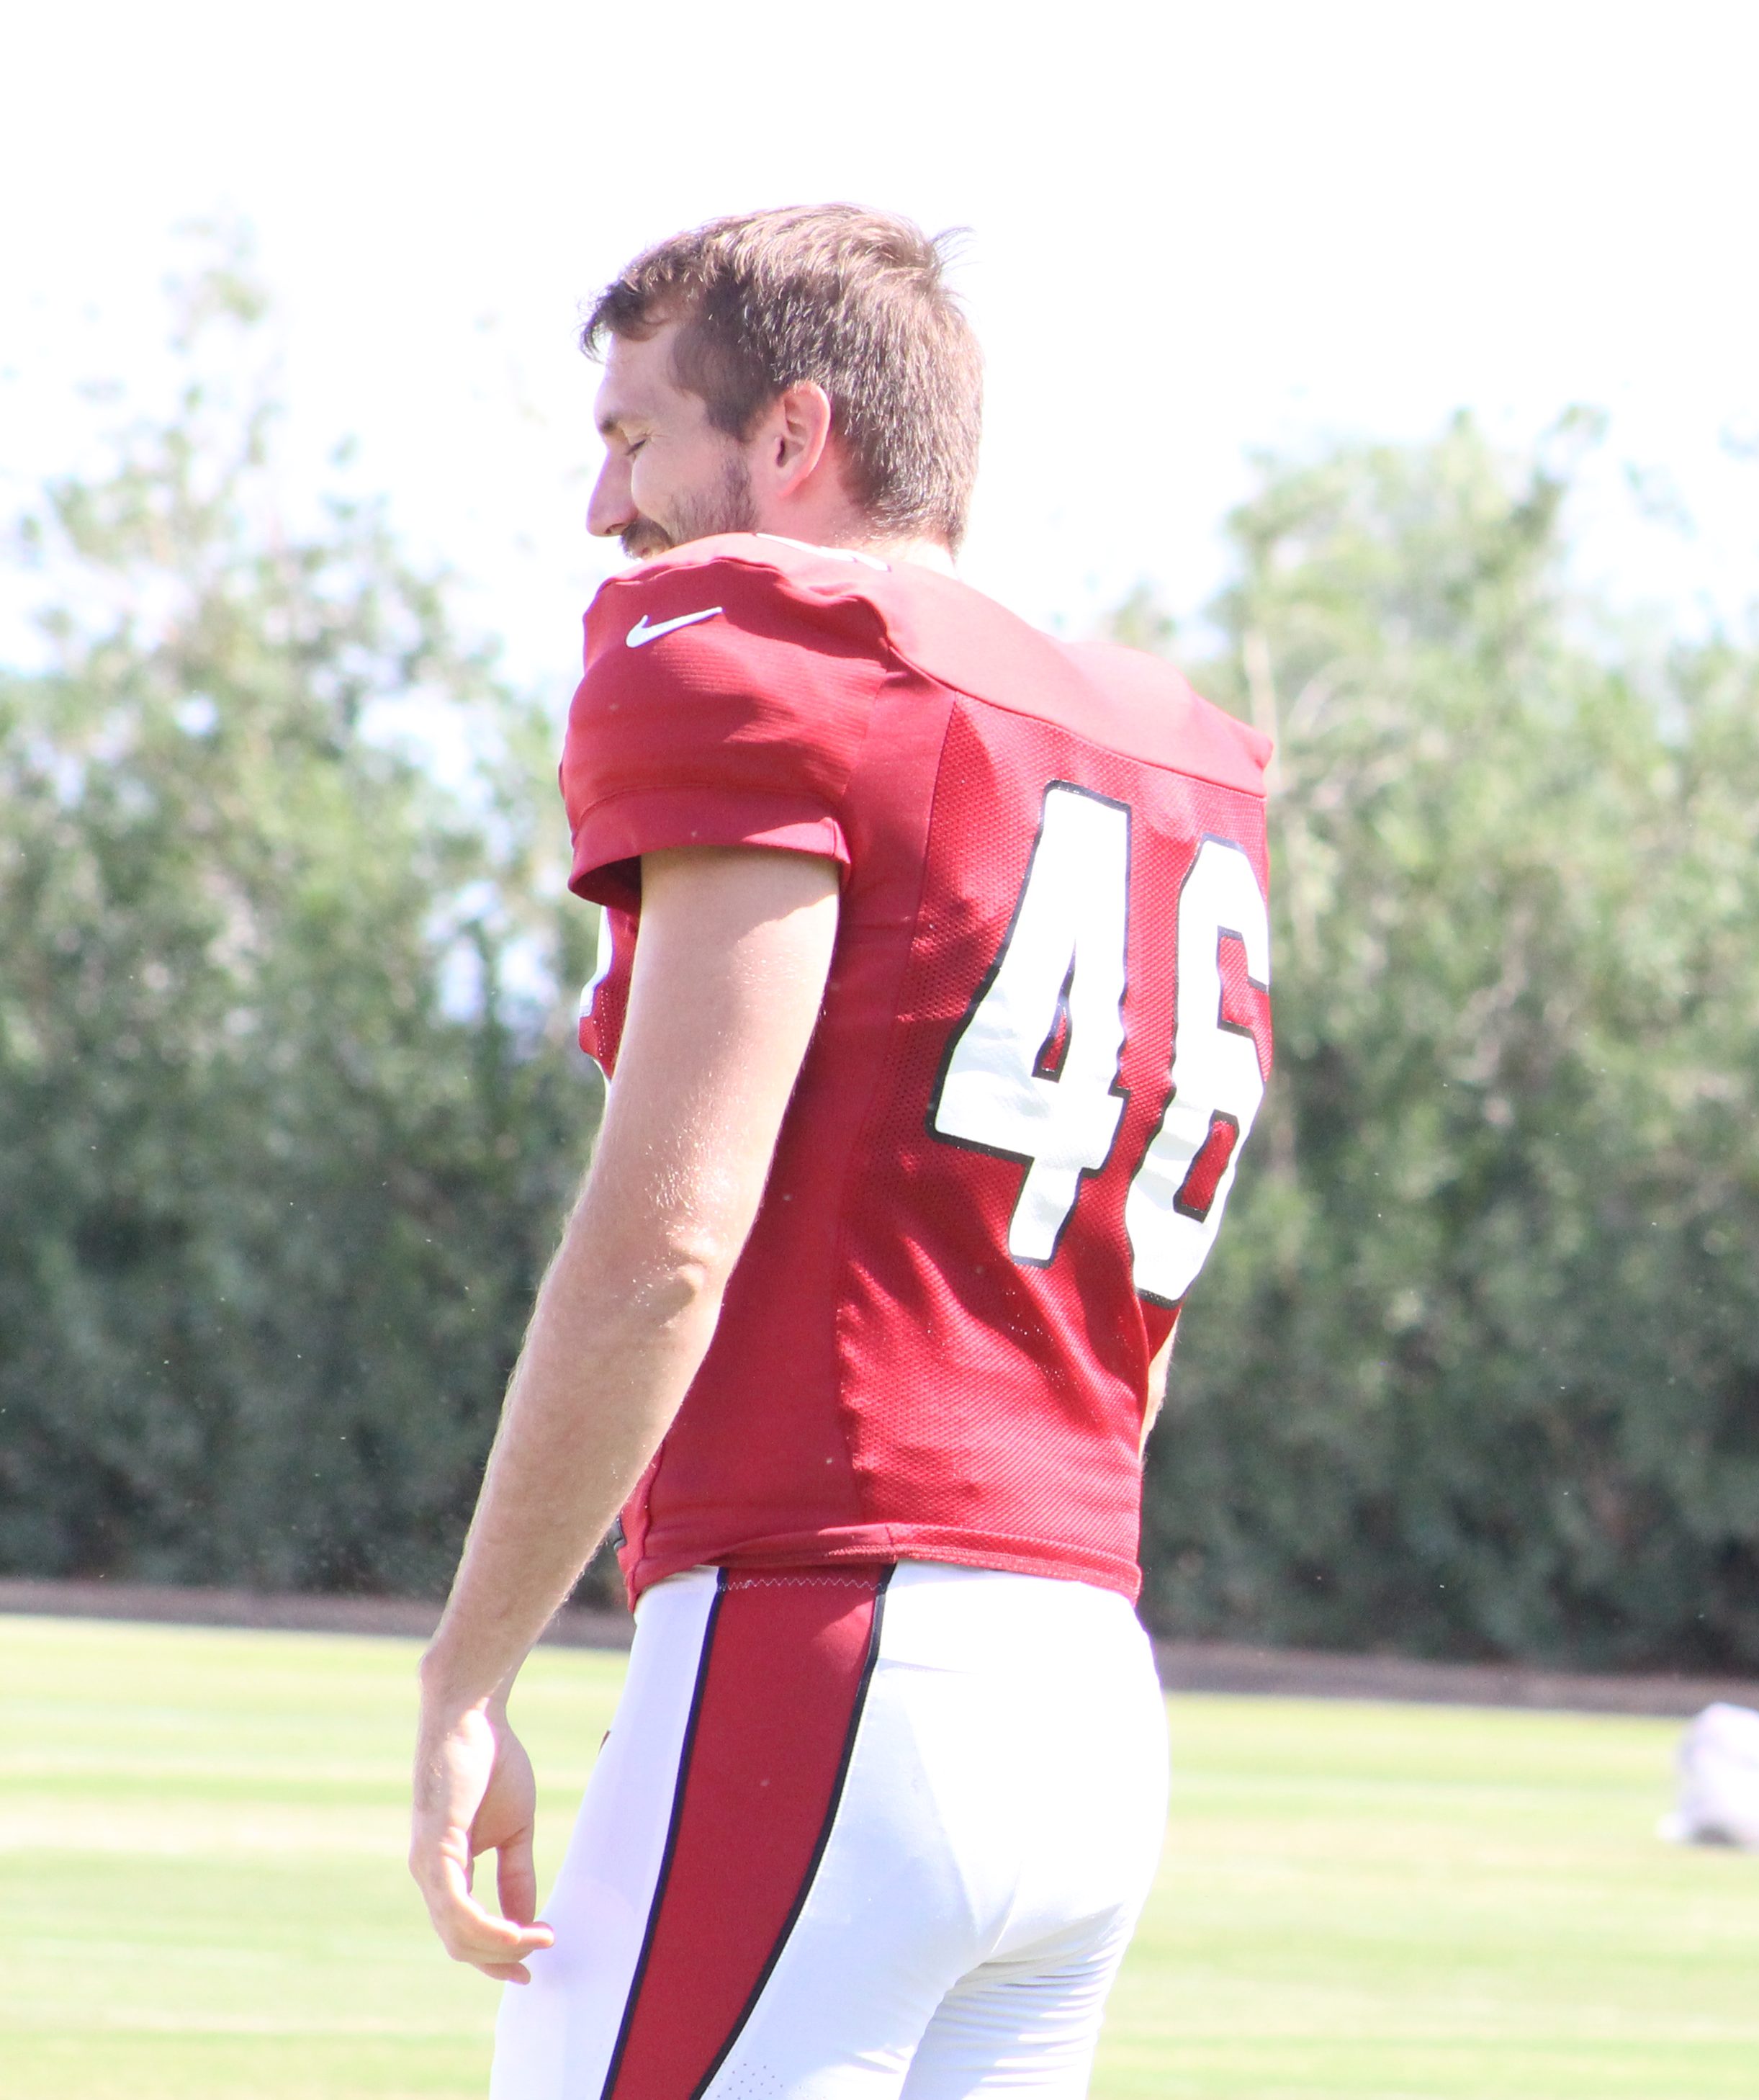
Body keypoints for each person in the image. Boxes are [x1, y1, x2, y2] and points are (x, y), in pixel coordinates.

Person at [406, 205, 1274, 2100]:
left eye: (636, 439)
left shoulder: (755, 652)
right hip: (1080, 1670)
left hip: (834, 1640)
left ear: (792, 437)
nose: (604, 508)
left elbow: (666, 1237)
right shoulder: (1160, 752)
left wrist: (467, 1669)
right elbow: (1134, 1297)